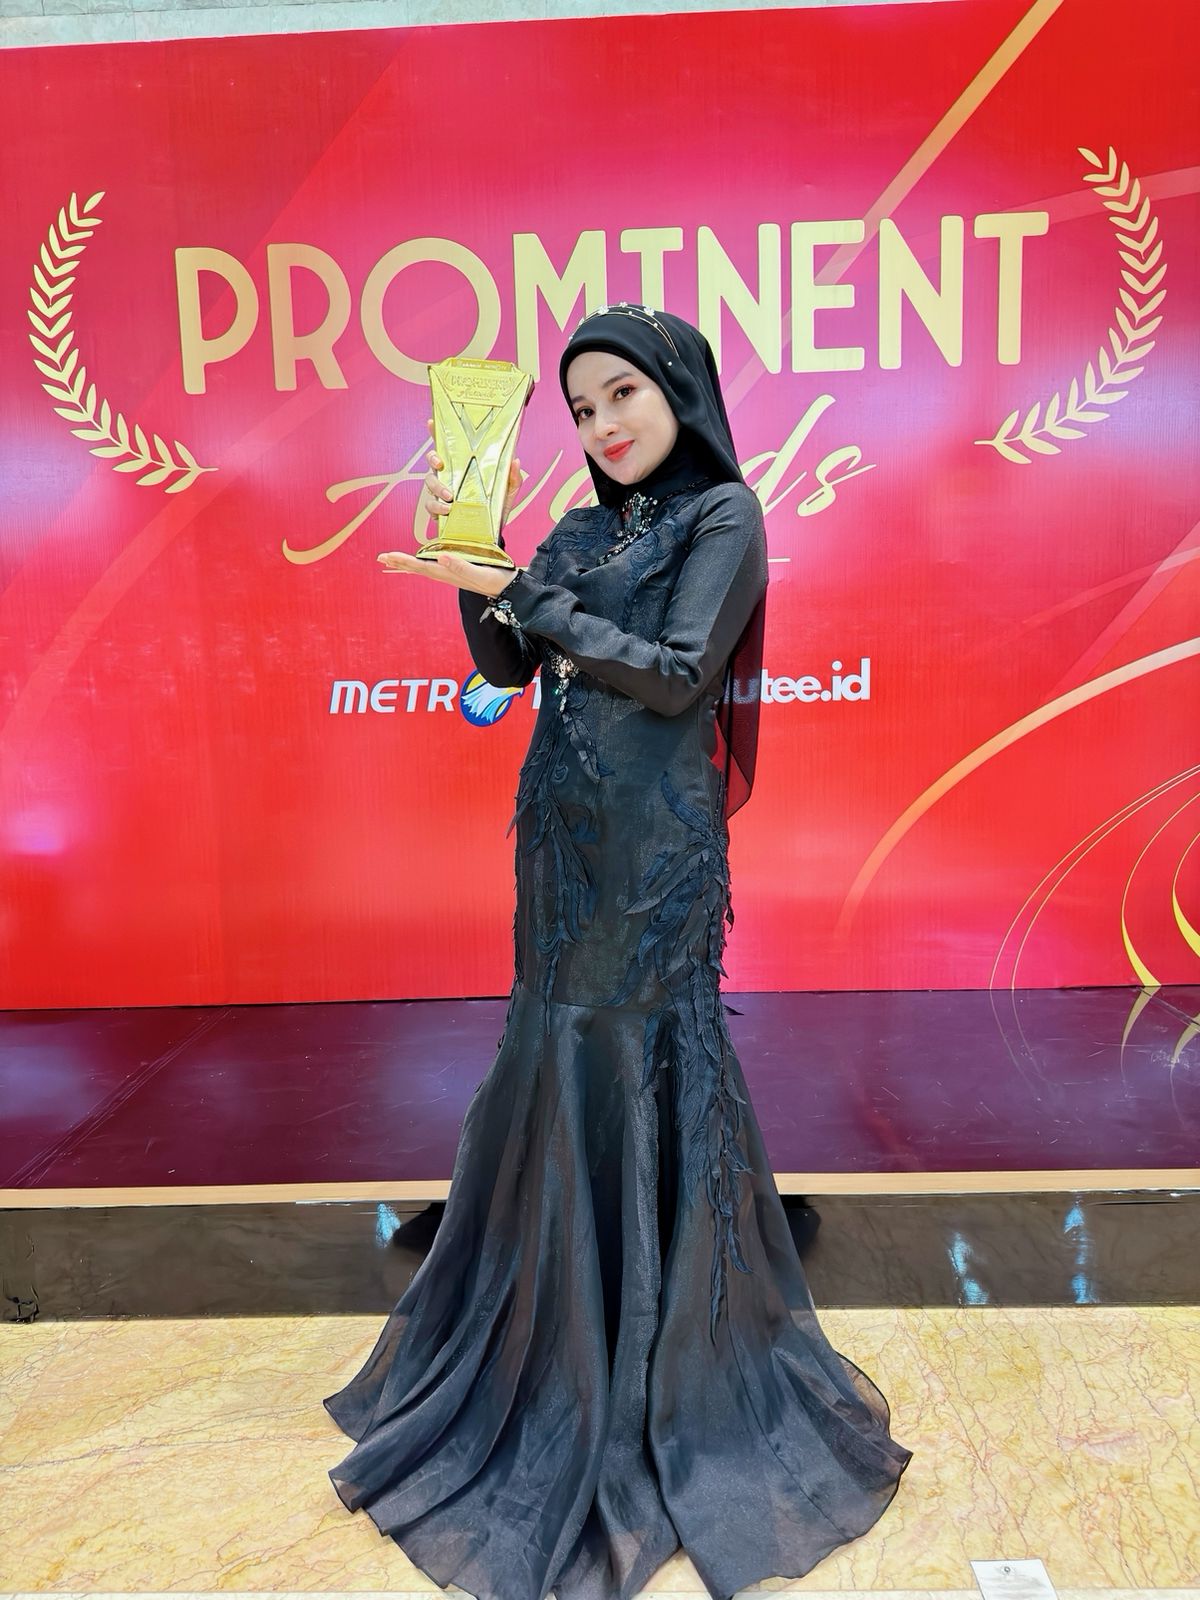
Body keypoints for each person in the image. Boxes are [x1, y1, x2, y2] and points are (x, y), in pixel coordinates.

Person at [323, 305, 911, 1600]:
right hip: (559, 835)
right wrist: (475, 567)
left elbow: (680, 671)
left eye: (621, 395)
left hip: (656, 849)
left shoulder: (722, 518)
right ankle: (555, 1334)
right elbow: (506, 662)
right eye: (581, 409)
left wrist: (528, 594)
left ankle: (658, 1356)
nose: (601, 425)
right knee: (557, 1043)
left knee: (639, 1048)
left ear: (678, 391)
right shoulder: (582, 530)